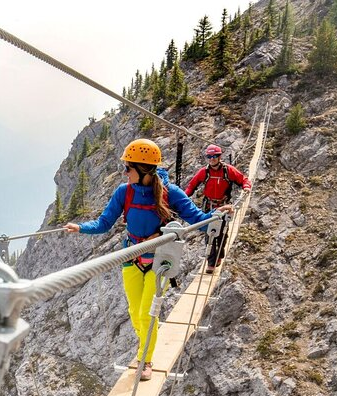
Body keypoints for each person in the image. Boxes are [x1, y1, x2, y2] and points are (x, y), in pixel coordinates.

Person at [64, 139, 233, 381]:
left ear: (142, 169)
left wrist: (216, 216)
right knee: (135, 312)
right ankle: (146, 346)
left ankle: (146, 359)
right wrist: (80, 228)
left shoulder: (170, 193)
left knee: (146, 314)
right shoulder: (124, 192)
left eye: (128, 168)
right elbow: (103, 223)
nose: (125, 173)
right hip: (132, 258)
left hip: (159, 261)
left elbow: (197, 219)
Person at [184, 144, 251, 273]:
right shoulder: (204, 172)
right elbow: (192, 185)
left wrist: (246, 187)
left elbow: (243, 179)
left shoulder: (228, 170)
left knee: (222, 234)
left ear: (220, 157)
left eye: (215, 156)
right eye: (209, 156)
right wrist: (182, 198)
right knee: (209, 234)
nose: (212, 159)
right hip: (209, 206)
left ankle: (219, 255)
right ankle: (211, 263)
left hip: (224, 206)